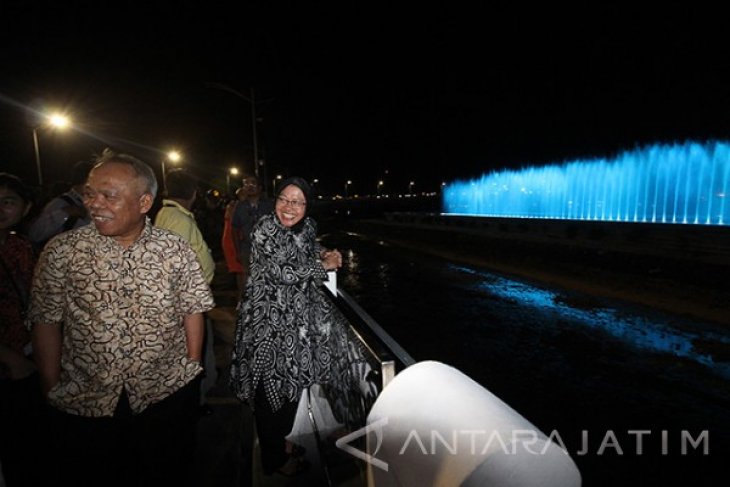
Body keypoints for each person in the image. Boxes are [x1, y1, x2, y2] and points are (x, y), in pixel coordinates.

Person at [27, 149, 214, 487]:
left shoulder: (173, 249)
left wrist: (191, 366)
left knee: (167, 471)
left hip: (164, 394)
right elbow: (46, 320)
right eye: (90, 193)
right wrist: (51, 386)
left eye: (109, 196)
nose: (94, 204)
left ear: (144, 202)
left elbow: (193, 307)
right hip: (86, 400)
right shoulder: (62, 251)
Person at [230, 176, 342, 477]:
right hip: (268, 323)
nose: (289, 207)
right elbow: (285, 271)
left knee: (292, 386)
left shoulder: (308, 228)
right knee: (270, 391)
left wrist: (323, 254)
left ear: (307, 205)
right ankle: (274, 460)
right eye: (284, 199)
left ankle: (280, 443)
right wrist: (324, 266)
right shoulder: (265, 228)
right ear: (274, 200)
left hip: (298, 324)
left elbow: (305, 252)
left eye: (297, 201)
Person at [154, 167, 217, 415]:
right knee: (195, 357)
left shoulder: (169, 214)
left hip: (188, 301)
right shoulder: (178, 219)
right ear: (193, 193)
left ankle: (192, 402)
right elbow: (175, 268)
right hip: (187, 305)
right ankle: (191, 406)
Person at [0, 173, 44, 487]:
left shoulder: (21, 247)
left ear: (25, 208)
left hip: (29, 360)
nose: (0, 209)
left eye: (8, 202)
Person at [27, 159, 94, 250]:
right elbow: (35, 234)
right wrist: (64, 213)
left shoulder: (95, 202)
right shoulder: (60, 203)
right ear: (86, 181)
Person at [231, 175, 274, 284]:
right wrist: (238, 252)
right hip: (247, 250)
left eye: (253, 183)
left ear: (260, 187)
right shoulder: (239, 207)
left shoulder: (270, 205)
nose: (249, 186)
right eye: (246, 184)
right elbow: (234, 229)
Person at [222, 188, 245, 295]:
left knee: (240, 272)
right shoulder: (236, 207)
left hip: (232, 240)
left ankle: (242, 299)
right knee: (242, 272)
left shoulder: (232, 206)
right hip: (234, 241)